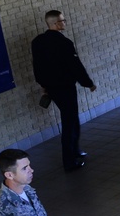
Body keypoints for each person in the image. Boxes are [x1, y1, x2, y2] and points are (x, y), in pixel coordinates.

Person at [31, 9, 97, 172]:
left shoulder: (37, 42)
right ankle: (69, 160)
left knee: (70, 119)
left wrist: (43, 85)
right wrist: (88, 83)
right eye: (62, 20)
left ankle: (75, 150)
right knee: (70, 122)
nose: (65, 23)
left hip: (51, 88)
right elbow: (75, 66)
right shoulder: (64, 43)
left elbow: (37, 66)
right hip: (65, 87)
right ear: (55, 23)